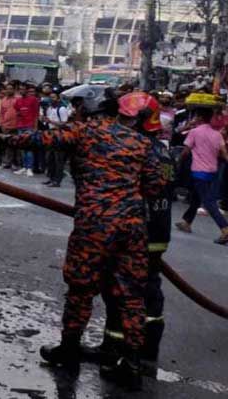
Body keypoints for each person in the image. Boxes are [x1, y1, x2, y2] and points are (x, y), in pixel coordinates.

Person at [5, 88, 163, 390]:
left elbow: (39, 139)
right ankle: (131, 364)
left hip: (94, 226)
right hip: (132, 227)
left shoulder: (85, 131)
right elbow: (155, 186)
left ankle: (68, 349)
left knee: (80, 289)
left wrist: (1, 139)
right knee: (131, 295)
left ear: (89, 109)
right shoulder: (142, 142)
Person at [94, 93, 172, 377]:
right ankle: (140, 351)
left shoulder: (136, 149)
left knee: (124, 293)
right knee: (148, 289)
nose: (121, 122)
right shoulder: (160, 150)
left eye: (126, 118)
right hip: (156, 230)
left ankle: (122, 353)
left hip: (136, 231)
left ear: (139, 120)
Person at [175, 97, 228, 244]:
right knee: (197, 197)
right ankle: (187, 222)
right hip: (213, 170)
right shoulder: (217, 134)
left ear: (198, 117)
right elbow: (223, 154)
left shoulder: (195, 132)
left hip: (199, 171)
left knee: (208, 201)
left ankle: (225, 229)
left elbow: (185, 151)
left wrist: (178, 163)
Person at [42, 92, 71, 187]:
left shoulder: (62, 109)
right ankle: (51, 178)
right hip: (50, 133)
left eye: (54, 97)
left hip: (59, 134)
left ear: (58, 98)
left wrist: (51, 121)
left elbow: (64, 123)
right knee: (50, 158)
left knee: (59, 159)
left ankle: (57, 180)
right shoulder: (50, 108)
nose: (51, 99)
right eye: (50, 97)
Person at [13, 84, 41, 176]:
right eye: (20, 89)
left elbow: (36, 114)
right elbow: (17, 111)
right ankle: (24, 167)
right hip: (20, 126)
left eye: (23, 89)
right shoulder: (18, 100)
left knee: (29, 148)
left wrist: (35, 127)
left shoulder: (33, 100)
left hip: (30, 126)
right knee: (22, 148)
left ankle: (29, 168)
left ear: (27, 90)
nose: (22, 91)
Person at [0, 86, 20, 169]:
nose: (9, 90)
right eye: (7, 89)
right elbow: (1, 113)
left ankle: (16, 163)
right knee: (7, 145)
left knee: (16, 145)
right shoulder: (3, 100)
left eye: (11, 88)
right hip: (6, 126)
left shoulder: (18, 99)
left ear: (14, 89)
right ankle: (8, 162)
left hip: (17, 125)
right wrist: (2, 124)